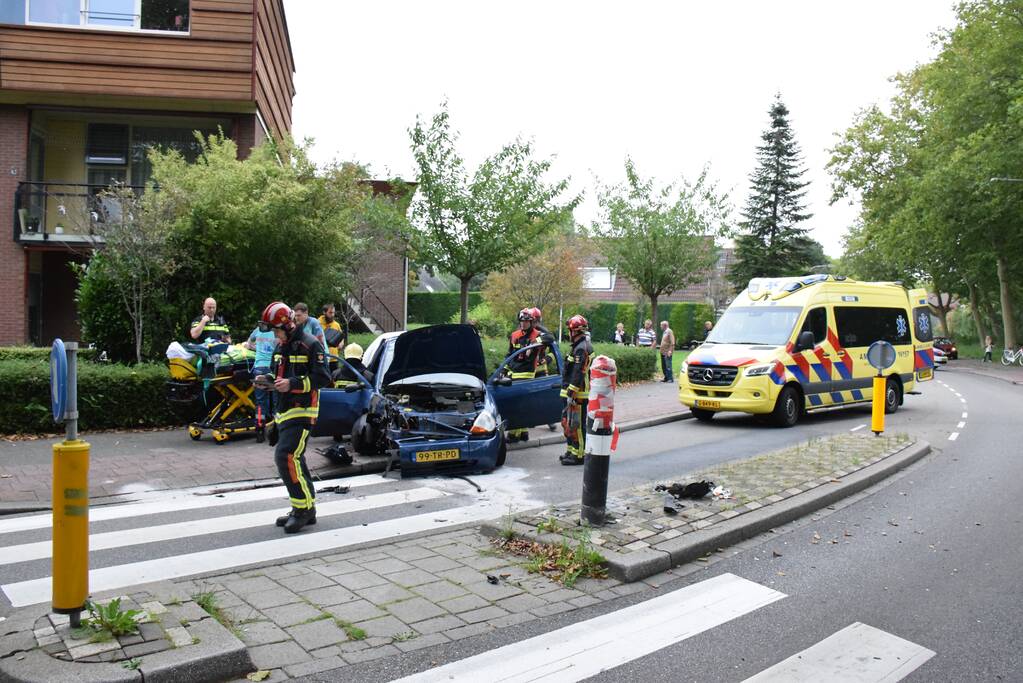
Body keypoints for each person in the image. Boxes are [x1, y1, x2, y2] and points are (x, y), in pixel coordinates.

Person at [258, 302, 331, 534]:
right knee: (295, 459)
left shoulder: (311, 344)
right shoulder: (281, 347)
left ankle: (303, 510)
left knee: (286, 456)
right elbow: (276, 372)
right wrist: (267, 380)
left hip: (303, 409)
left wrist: (293, 384)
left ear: (287, 325)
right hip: (284, 411)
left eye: (276, 330)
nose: (275, 335)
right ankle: (305, 507)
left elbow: (322, 378)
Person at [505, 308, 544, 442]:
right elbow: (509, 354)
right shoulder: (515, 335)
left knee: (516, 405)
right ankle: (523, 433)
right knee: (522, 405)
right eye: (522, 321)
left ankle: (513, 435)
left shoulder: (537, 335)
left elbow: (550, 338)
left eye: (526, 321)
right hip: (514, 372)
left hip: (526, 374)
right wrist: (504, 369)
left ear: (532, 322)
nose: (523, 324)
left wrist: (537, 340)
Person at [560, 314, 593, 466]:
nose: (569, 333)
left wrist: (571, 391)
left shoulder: (582, 348)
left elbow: (579, 372)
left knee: (577, 425)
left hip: (578, 393)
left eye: (570, 330)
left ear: (574, 331)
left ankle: (579, 454)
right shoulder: (578, 346)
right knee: (568, 423)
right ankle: (571, 450)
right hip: (571, 391)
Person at [244, 323, 277, 428]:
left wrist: (257, 348)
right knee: (276, 399)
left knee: (260, 400)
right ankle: (277, 428)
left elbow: (248, 344)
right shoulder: (277, 332)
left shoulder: (258, 330)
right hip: (273, 367)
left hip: (259, 368)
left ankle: (259, 428)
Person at [318, 304, 346, 372]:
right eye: (330, 312)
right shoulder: (317, 323)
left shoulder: (336, 324)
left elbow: (341, 336)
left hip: (334, 358)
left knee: (333, 379)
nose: (332, 315)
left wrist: (341, 343)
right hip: (321, 357)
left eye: (333, 312)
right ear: (324, 312)